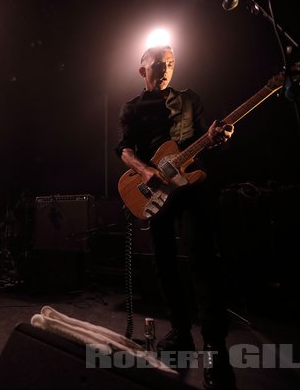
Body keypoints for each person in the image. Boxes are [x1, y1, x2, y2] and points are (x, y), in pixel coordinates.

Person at [115, 45, 236, 389]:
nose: (166, 69)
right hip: (156, 190)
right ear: (142, 70)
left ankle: (215, 350)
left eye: (170, 63)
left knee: (202, 259)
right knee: (163, 263)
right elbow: (123, 148)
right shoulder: (132, 107)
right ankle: (181, 333)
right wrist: (144, 170)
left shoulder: (189, 99)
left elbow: (201, 139)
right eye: (158, 64)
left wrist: (217, 139)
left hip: (191, 187)